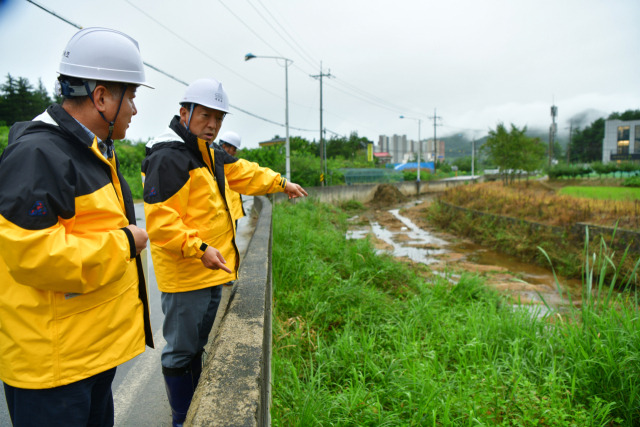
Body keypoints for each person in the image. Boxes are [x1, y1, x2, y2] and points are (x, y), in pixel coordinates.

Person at [0, 27, 154, 426]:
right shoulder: (38, 154)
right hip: (53, 370)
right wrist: (125, 242)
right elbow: (35, 257)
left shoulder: (92, 151)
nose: (134, 110)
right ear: (101, 96)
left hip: (87, 356)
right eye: (131, 97)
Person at [142, 77, 307, 427]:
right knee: (181, 351)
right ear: (184, 113)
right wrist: (199, 248)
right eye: (205, 116)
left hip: (211, 269)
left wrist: (281, 183)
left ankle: (192, 407)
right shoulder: (169, 157)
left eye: (219, 118)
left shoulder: (209, 154)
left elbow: (245, 173)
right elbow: (161, 222)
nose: (213, 125)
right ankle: (181, 418)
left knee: (196, 346)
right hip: (187, 276)